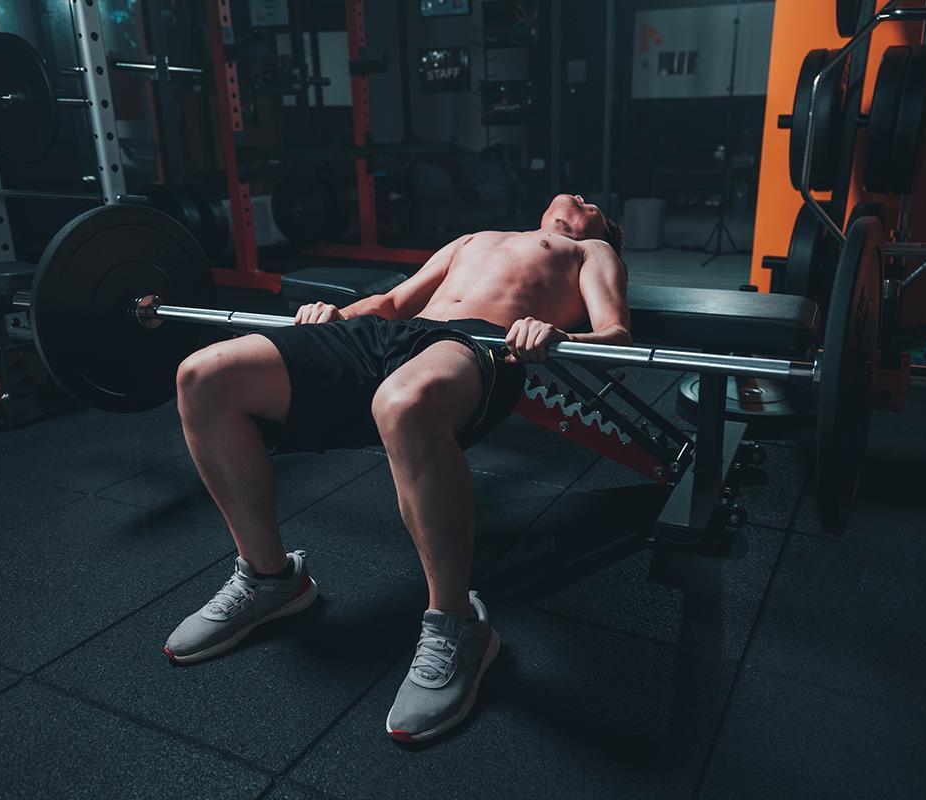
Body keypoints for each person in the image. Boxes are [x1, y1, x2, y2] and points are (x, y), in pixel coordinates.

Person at [163, 194, 631, 742]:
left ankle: (458, 625)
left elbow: (617, 338)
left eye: (593, 203)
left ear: (603, 228)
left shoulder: (590, 251)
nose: (581, 198)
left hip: (478, 344)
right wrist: (335, 316)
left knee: (403, 403)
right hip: (388, 336)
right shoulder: (476, 238)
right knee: (203, 375)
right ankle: (270, 579)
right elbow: (392, 301)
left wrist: (558, 336)